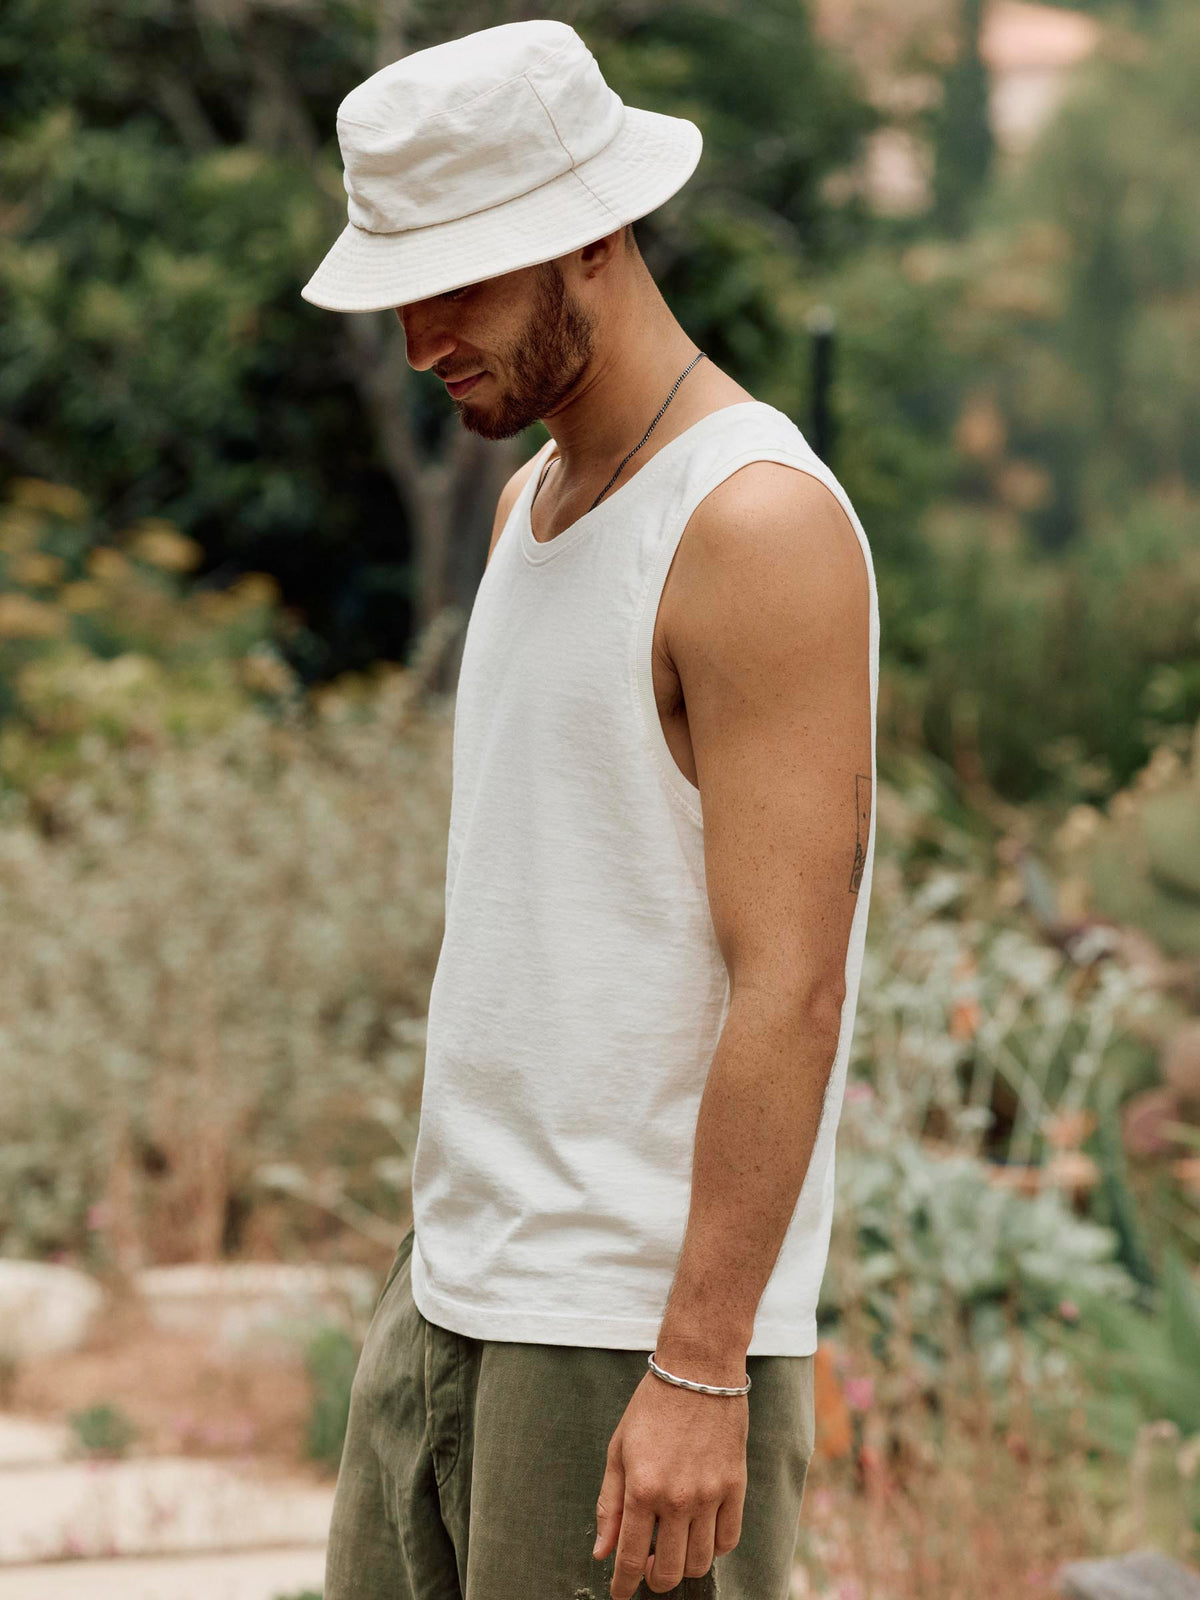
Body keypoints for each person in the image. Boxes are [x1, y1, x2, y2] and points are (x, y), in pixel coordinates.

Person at [301, 18, 879, 1600]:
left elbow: (798, 978)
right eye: (401, 289)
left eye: (462, 282)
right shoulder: (528, 506)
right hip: (451, 1299)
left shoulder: (753, 523)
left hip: (628, 1343)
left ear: (597, 235)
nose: (423, 339)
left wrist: (700, 1367)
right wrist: (426, 1298)